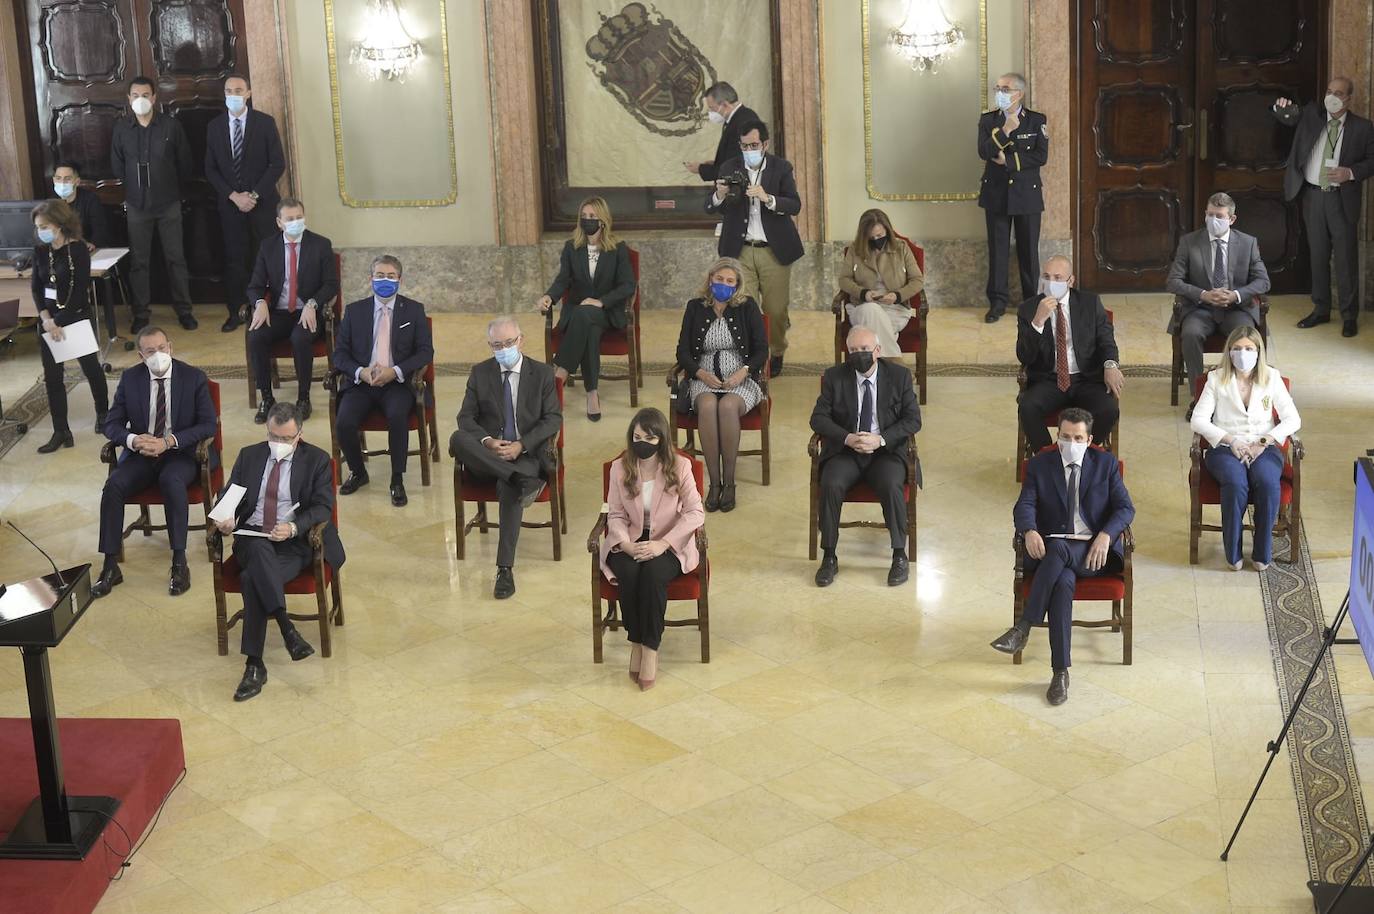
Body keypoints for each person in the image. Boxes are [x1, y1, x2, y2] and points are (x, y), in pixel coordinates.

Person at [990, 408, 1135, 706]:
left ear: (1089, 439)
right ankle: (1060, 674)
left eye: (1078, 438)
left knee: (1057, 551)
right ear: (1058, 436)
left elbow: (1125, 509)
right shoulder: (1040, 464)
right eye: (1065, 437)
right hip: (1053, 554)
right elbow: (1024, 505)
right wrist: (1029, 530)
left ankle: (1024, 627)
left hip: (1092, 552)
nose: (1071, 443)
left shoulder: (1105, 464)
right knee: (1063, 582)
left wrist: (1106, 535)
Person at [212, 402, 344, 702]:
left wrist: (294, 528)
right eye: (274, 437)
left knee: (251, 580)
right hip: (252, 536)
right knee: (258, 548)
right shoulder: (250, 455)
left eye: (286, 439)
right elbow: (229, 493)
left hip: (293, 544)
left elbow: (323, 507)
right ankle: (287, 630)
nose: (279, 444)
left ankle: (255, 665)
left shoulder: (318, 460)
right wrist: (226, 515)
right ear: (267, 430)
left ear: (299, 434)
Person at [92, 327, 217, 599]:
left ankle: (179, 562)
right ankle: (111, 565)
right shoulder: (130, 379)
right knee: (113, 485)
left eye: (162, 348)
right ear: (141, 355)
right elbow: (111, 423)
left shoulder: (193, 377)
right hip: (142, 454)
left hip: (179, 453)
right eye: (151, 351)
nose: (158, 355)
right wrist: (134, 440)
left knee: (171, 481)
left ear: (170, 347)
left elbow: (208, 425)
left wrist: (169, 441)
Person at [450, 317, 562, 599]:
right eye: (497, 345)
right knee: (458, 438)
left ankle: (504, 570)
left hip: (524, 455)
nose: (504, 349)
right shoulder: (480, 373)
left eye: (509, 343)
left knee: (509, 487)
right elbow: (465, 417)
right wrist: (488, 442)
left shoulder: (543, 374)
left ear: (521, 340)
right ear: (490, 346)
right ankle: (519, 479)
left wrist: (520, 445)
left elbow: (552, 420)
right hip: (488, 456)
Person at [601, 408, 705, 691]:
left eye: (648, 437)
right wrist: (625, 544)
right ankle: (636, 640)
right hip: (630, 538)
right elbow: (615, 515)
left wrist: (663, 544)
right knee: (630, 573)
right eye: (636, 437)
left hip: (669, 540)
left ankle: (650, 649)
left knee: (652, 575)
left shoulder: (680, 466)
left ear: (661, 439)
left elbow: (696, 512)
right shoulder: (620, 468)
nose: (641, 443)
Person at [810, 326, 922, 588]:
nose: (859, 355)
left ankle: (898, 555)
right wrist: (848, 438)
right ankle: (829, 556)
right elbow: (818, 418)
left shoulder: (899, 376)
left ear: (878, 351)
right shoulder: (834, 377)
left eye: (865, 349)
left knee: (891, 484)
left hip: (885, 451)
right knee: (830, 482)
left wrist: (880, 439)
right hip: (846, 450)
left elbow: (913, 420)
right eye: (853, 351)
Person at [1189, 326, 1301, 571]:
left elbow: (1293, 419)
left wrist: (1265, 441)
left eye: (1249, 349)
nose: (1243, 354)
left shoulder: (1272, 377)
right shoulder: (1216, 379)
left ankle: (1262, 552)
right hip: (1225, 448)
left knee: (1267, 481)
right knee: (1235, 481)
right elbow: (1198, 420)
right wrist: (1230, 440)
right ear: (1229, 352)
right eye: (1237, 349)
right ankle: (1233, 551)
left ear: (1258, 351)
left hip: (1264, 447)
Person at [1273, 77, 1374, 338]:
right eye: (1329, 91)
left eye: (1339, 93)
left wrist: (1350, 172)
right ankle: (1321, 309)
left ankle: (1349, 316)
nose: (1332, 96)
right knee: (1317, 255)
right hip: (1313, 196)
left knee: (1345, 258)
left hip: (1342, 198)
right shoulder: (1311, 115)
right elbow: (1289, 117)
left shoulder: (1363, 128)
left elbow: (1372, 161)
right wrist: (1281, 109)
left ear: (1349, 98)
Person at [332, 255, 434, 508]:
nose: (384, 281)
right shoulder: (355, 311)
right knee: (344, 421)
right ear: (370, 279)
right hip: (362, 383)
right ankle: (358, 472)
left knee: (398, 417)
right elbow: (339, 354)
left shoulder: (414, 310)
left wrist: (396, 370)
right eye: (379, 276)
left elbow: (425, 352)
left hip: (397, 384)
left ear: (400, 280)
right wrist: (360, 372)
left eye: (390, 276)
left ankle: (397, 479)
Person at [706, 119, 802, 376]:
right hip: (741, 250)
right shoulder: (730, 167)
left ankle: (777, 349)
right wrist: (720, 195)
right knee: (744, 306)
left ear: (765, 144)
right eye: (745, 145)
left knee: (775, 308)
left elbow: (794, 205)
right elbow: (711, 206)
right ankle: (752, 355)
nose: (749, 149)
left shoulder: (781, 168)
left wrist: (768, 198)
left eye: (754, 144)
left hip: (774, 249)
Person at [674, 257, 767, 511]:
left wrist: (743, 373)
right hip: (704, 378)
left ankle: (730, 483)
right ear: (710, 280)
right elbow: (682, 352)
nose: (723, 285)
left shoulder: (747, 307)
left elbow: (762, 350)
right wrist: (700, 373)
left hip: (740, 379)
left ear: (737, 285)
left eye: (730, 281)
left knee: (726, 407)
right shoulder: (695, 307)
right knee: (706, 407)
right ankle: (714, 484)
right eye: (719, 279)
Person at [536, 196, 635, 421]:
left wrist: (600, 302)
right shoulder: (572, 248)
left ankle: (559, 373)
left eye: (592, 216)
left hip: (607, 313)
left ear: (603, 219)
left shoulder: (617, 248)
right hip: (580, 314)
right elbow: (563, 280)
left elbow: (628, 285)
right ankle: (592, 393)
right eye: (584, 216)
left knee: (586, 315)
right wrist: (549, 296)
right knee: (587, 326)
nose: (587, 220)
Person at [110, 76, 196, 333]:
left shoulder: (171, 126)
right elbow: (117, 165)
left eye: (145, 95)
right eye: (135, 95)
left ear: (154, 97)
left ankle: (185, 311)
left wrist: (168, 186)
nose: (140, 100)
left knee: (176, 259)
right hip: (137, 205)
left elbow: (185, 164)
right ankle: (141, 315)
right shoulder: (122, 129)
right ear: (128, 99)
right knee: (139, 263)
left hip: (168, 203)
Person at [1016, 255, 1123, 452]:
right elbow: (1025, 356)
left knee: (1109, 409)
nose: (1051, 283)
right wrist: (1037, 322)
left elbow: (1106, 341)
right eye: (1046, 277)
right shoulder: (1028, 308)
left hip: (1086, 378)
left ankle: (1085, 455)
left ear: (1070, 281)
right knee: (1027, 407)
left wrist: (1110, 365)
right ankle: (1050, 459)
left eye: (1058, 278)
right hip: (1049, 379)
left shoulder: (1090, 303)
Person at [1165, 192, 1271, 392]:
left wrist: (1236, 295)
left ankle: (1238, 389)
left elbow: (1263, 281)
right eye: (1209, 214)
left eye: (1219, 216)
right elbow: (1173, 282)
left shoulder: (1247, 243)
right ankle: (1199, 393)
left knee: (1244, 339)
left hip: (1237, 309)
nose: (1213, 220)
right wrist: (1203, 294)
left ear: (1231, 219)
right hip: (1199, 309)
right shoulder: (1190, 242)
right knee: (1190, 334)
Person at [245, 197, 337, 422]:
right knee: (255, 335)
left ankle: (303, 398)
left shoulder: (321, 244)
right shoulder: (268, 246)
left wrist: (312, 303)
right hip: (279, 312)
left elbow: (331, 284)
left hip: (308, 311)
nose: (296, 222)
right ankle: (267, 398)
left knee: (300, 338)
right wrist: (259, 303)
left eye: (299, 218)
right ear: (279, 222)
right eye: (290, 219)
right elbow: (255, 285)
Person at [206, 73, 285, 333]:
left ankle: (270, 310)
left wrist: (253, 196)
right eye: (229, 91)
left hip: (262, 205)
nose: (233, 95)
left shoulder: (264, 123)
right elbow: (211, 169)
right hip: (230, 207)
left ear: (249, 93)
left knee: (265, 259)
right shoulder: (215, 127)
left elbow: (277, 164)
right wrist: (234, 196)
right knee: (234, 262)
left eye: (238, 90)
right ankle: (236, 312)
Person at [29, 199, 109, 453]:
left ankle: (104, 414)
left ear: (59, 224)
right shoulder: (41, 251)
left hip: (74, 317)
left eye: (44, 225)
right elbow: (36, 288)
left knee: (91, 369)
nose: (40, 231)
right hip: (49, 321)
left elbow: (78, 292)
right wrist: (45, 320)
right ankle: (60, 430)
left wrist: (57, 322)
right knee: (53, 378)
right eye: (37, 226)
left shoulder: (78, 250)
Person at [978, 73, 1048, 323]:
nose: (999, 91)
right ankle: (997, 303)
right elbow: (984, 151)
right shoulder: (989, 120)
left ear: (1019, 93)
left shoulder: (1036, 120)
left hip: (1026, 196)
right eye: (998, 88)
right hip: (996, 194)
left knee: (1029, 251)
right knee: (997, 251)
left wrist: (1008, 161)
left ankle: (1031, 303)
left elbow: (1041, 156)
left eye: (1005, 88)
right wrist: (1006, 129)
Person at [838, 209, 925, 356]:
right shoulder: (855, 249)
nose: (876, 240)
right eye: (871, 237)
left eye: (879, 235)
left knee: (874, 332)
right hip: (862, 307)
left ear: (887, 231)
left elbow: (917, 280)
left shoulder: (901, 248)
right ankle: (896, 368)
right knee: (871, 310)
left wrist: (897, 296)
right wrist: (863, 293)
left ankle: (876, 375)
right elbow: (844, 280)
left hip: (895, 309)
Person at [683, 81, 759, 182]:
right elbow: (732, 157)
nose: (710, 113)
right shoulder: (736, 118)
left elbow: (737, 167)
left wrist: (701, 169)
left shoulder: (744, 121)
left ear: (725, 104)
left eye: (712, 108)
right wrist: (717, 163)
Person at [51, 161, 108, 249]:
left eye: (67, 179)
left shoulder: (91, 200)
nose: (62, 182)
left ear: (77, 181)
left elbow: (100, 229)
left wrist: (93, 244)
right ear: (54, 180)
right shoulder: (50, 204)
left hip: (87, 249)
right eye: (58, 178)